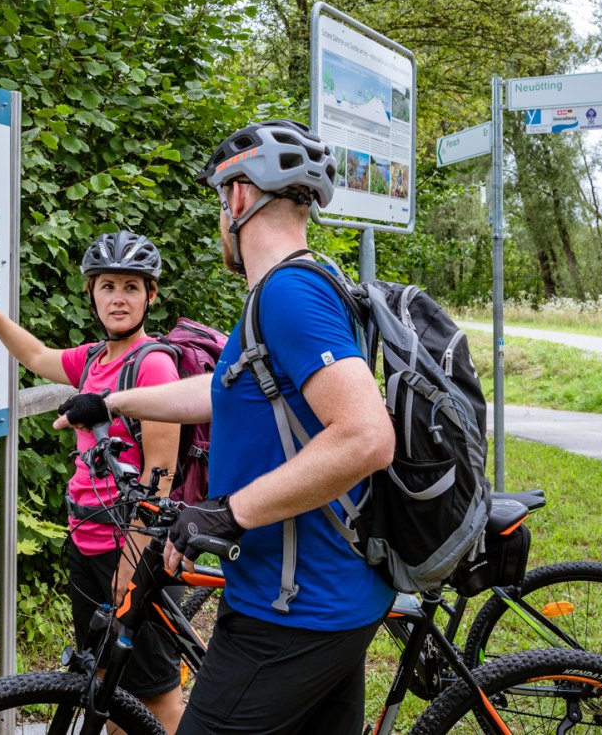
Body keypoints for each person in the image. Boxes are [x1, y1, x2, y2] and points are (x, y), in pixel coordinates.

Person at [56, 120, 396, 735]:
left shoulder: (289, 295)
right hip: (327, 596)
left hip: (291, 609)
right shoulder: (288, 290)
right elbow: (221, 391)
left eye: (221, 202)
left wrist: (229, 512)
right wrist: (112, 403)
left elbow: (366, 435)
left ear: (238, 197)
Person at [0, 232, 186, 733]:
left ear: (151, 295)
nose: (118, 298)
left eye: (131, 286)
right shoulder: (94, 359)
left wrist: (133, 561)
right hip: (86, 540)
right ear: (92, 294)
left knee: (155, 693)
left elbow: (160, 475)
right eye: (107, 286)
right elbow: (37, 356)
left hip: (129, 547)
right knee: (106, 680)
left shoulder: (154, 366)